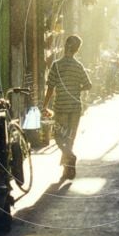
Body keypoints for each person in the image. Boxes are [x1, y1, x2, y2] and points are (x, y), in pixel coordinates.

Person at [42, 35, 92, 181]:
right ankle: (69, 169)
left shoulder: (56, 65)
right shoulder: (78, 66)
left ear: (65, 46)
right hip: (75, 108)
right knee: (70, 139)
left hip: (61, 108)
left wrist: (44, 105)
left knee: (58, 137)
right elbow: (88, 85)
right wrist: (77, 89)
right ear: (77, 50)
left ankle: (69, 159)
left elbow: (50, 88)